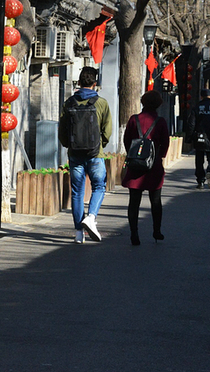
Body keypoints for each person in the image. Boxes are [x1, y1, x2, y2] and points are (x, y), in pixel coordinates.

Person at [58, 66, 113, 244]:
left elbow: (62, 131)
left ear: (79, 82)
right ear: (95, 83)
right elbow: (107, 131)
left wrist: (69, 145)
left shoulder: (68, 103)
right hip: (95, 154)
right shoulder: (101, 103)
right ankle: (91, 217)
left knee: (77, 193)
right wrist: (100, 146)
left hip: (75, 155)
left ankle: (78, 233)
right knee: (98, 187)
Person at [121, 90, 170, 245]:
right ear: (158, 104)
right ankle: (156, 230)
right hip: (153, 165)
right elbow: (165, 143)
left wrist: (133, 154)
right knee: (155, 200)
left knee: (134, 201)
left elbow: (127, 140)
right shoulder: (160, 121)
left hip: (136, 164)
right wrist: (158, 157)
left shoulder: (134, 119)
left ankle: (134, 233)